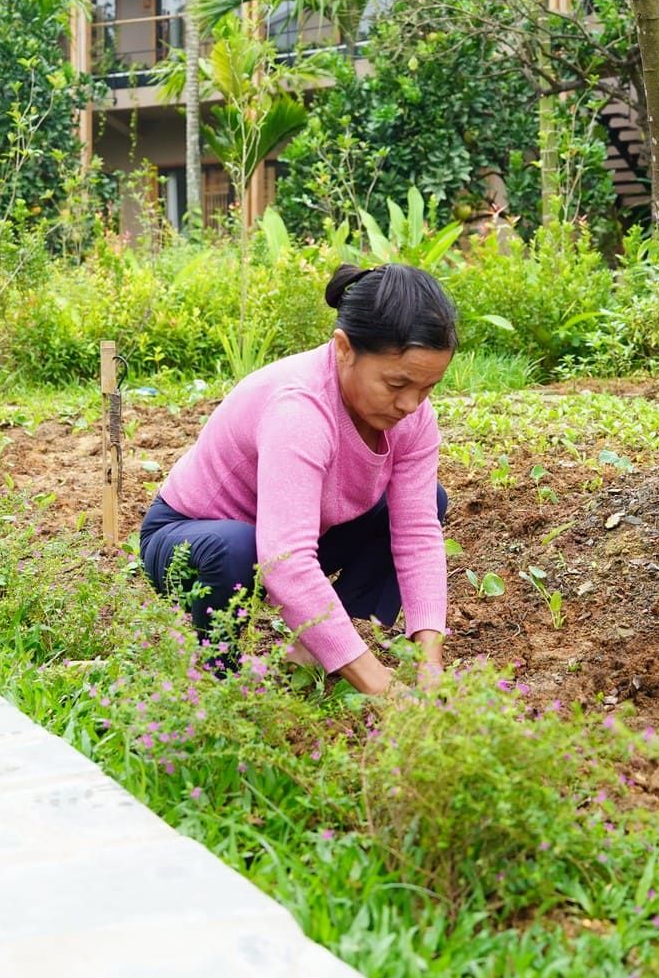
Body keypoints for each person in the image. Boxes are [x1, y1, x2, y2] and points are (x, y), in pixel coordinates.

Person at [138, 262, 456, 695]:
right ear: (343, 348)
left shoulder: (413, 417)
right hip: (194, 543)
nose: (410, 404)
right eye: (396, 383)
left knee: (428, 504)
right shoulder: (300, 409)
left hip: (294, 536)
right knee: (238, 549)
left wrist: (430, 666)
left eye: (427, 388)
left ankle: (317, 648)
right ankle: (221, 680)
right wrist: (382, 688)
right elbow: (283, 558)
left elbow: (417, 534)